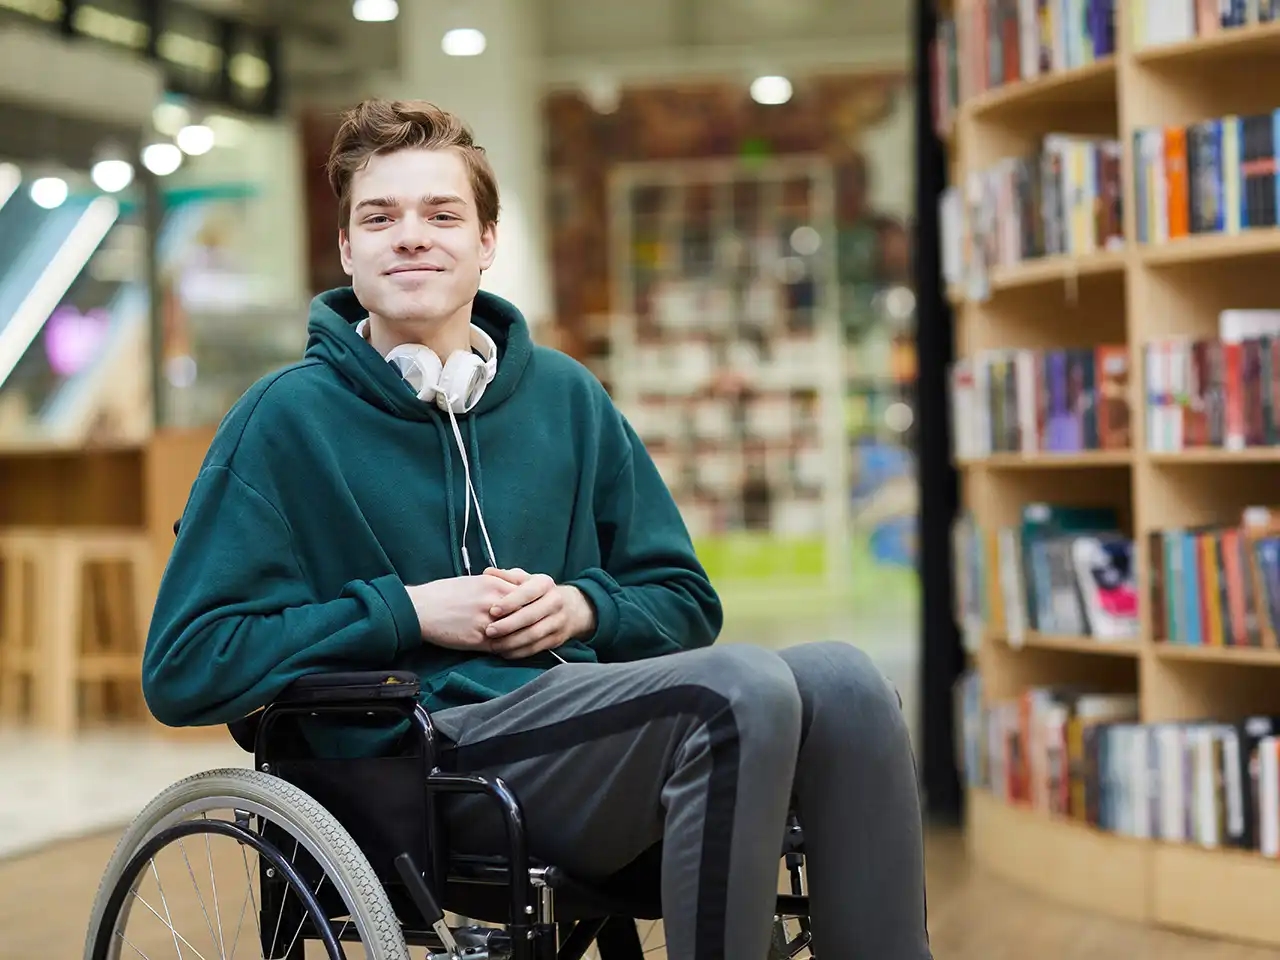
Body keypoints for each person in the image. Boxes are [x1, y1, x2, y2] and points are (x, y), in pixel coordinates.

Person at [141, 98, 932, 960]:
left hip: (584, 733)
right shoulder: (283, 420)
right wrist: (409, 612)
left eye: (442, 214)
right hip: (427, 764)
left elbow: (682, 600)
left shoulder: (566, 397)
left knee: (848, 684)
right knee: (736, 689)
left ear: (486, 242)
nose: (411, 236)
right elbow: (185, 667)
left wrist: (581, 611)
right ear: (346, 250)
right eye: (380, 217)